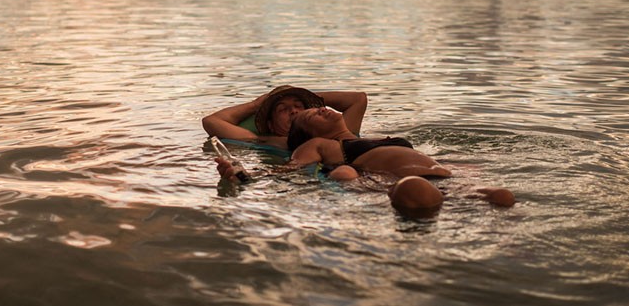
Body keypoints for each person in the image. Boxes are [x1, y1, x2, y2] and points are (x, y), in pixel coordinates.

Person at [217, 106, 516, 218]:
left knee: (502, 196)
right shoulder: (320, 144)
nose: (321, 108)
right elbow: (289, 171)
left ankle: (513, 247)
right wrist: (243, 176)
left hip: (445, 178)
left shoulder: (374, 137)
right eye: (312, 116)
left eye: (319, 106)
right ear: (305, 132)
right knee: (419, 195)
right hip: (391, 183)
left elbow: (358, 97)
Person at [201, 85, 367, 149]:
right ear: (271, 126)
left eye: (298, 106)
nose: (294, 111)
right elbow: (211, 121)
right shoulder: (268, 142)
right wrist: (255, 105)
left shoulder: (338, 131)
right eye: (283, 109)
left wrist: (309, 97)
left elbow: (358, 99)